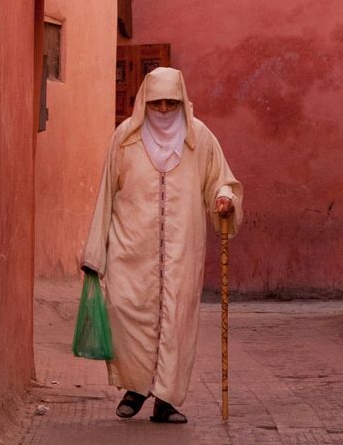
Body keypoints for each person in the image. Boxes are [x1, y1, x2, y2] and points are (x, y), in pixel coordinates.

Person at [80, 66, 242, 424]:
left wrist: (224, 199)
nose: (165, 110)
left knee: (176, 319)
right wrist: (95, 251)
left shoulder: (199, 138)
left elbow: (220, 180)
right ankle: (136, 387)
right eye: (157, 103)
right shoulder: (125, 137)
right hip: (130, 246)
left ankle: (166, 399)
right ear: (144, 102)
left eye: (171, 102)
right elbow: (107, 192)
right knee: (125, 309)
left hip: (182, 249)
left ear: (182, 101)